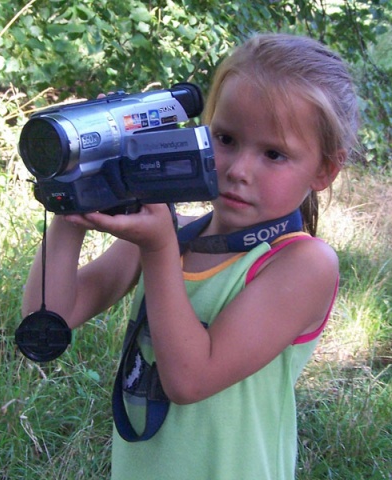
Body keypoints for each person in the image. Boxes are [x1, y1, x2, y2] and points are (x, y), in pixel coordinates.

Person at [22, 33, 359, 479]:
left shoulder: (302, 264)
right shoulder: (174, 232)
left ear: (324, 170)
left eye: (274, 154)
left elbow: (189, 379)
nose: (238, 170)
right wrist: (73, 193)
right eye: (225, 138)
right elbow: (52, 313)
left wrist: (159, 250)